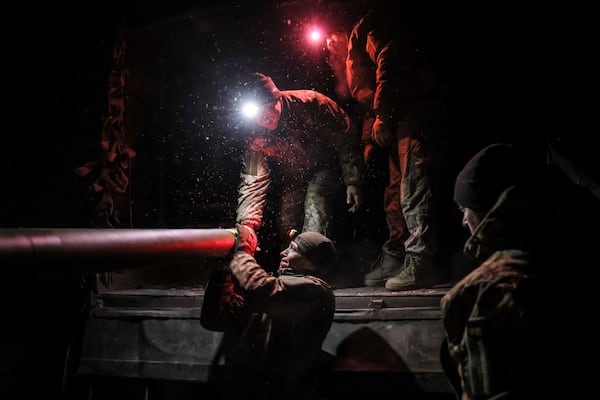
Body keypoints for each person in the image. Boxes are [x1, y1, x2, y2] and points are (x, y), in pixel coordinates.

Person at [440, 143, 598, 399]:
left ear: (486, 208)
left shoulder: (494, 289)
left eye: (464, 209)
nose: (463, 221)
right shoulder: (579, 240)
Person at [340, 5, 450, 290]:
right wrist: (371, 133)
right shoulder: (366, 27)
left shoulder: (378, 20)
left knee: (415, 188)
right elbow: (370, 89)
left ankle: (422, 261)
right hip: (400, 116)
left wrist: (383, 115)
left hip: (415, 113)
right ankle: (397, 254)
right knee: (397, 190)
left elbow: (391, 59)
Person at [235, 72, 364, 270]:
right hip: (296, 176)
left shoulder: (311, 104)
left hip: (329, 169)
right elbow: (253, 178)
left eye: (269, 110)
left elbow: (345, 138)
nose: (266, 119)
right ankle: (291, 263)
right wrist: (247, 223)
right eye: (259, 115)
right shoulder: (254, 135)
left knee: (315, 198)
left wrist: (353, 180)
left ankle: (310, 266)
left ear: (277, 99)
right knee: (288, 216)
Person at [200, 224, 337, 400]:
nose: (283, 253)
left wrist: (242, 252)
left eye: (293, 249)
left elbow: (259, 288)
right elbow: (216, 318)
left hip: (279, 390)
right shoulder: (274, 293)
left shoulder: (316, 291)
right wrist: (224, 270)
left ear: (311, 263)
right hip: (247, 387)